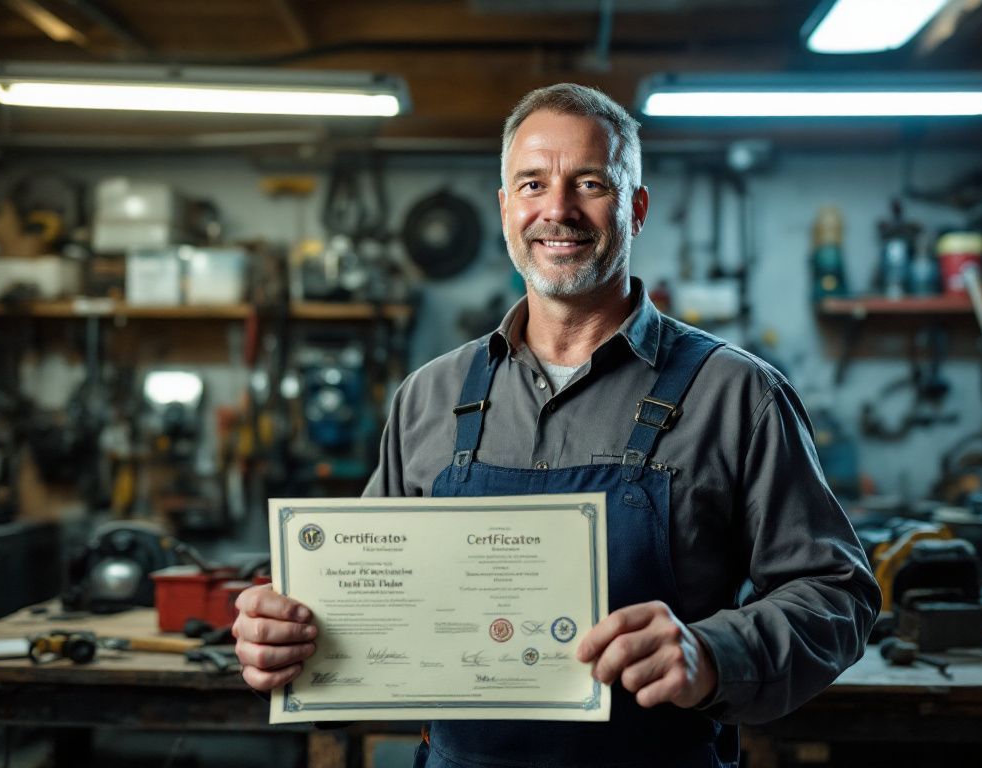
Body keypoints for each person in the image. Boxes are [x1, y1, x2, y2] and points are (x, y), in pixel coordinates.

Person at [233, 83, 880, 768]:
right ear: (506, 207)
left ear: (635, 207)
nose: (558, 211)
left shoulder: (737, 394)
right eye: (532, 184)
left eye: (591, 183)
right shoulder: (430, 395)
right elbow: (362, 594)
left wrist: (713, 655)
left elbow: (837, 596)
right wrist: (286, 628)